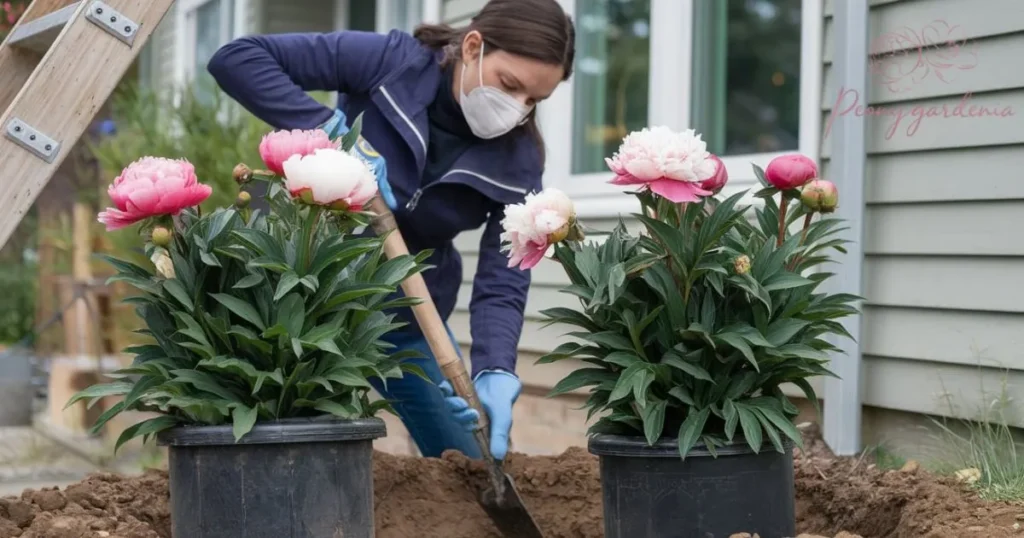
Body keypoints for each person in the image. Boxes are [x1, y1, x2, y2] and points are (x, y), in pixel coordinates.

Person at [207, 0, 576, 461]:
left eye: (533, 101)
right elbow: (237, 59)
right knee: (283, 445)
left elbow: (502, 280)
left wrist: (495, 369)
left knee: (470, 460)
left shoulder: (518, 162)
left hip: (401, 313)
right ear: (473, 46)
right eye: (509, 85)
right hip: (294, 288)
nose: (516, 109)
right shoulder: (392, 64)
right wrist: (329, 134)